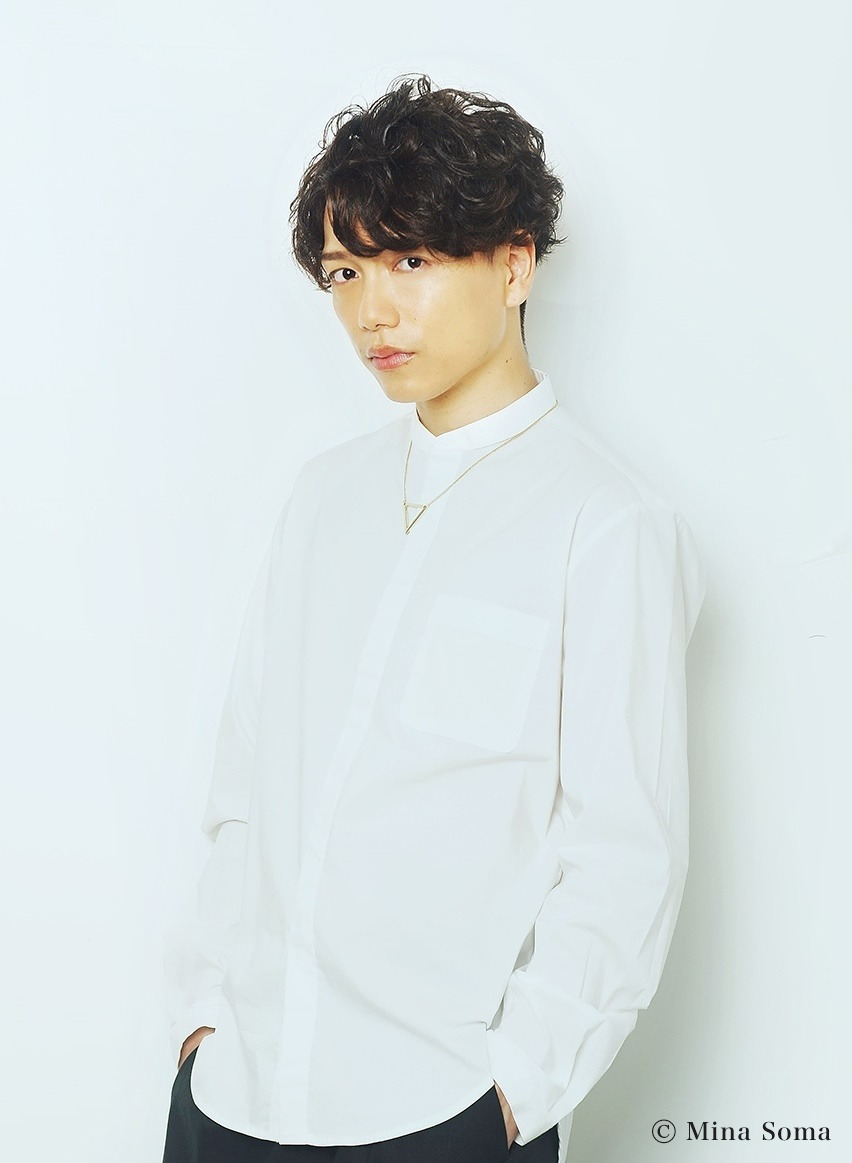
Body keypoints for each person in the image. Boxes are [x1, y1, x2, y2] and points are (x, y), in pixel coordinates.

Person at [162, 73, 705, 1163]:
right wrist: (203, 1017)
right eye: (346, 271)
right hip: (234, 1094)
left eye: (411, 260)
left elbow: (624, 852)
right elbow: (246, 784)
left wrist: (513, 1091)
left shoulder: (607, 521)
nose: (372, 309)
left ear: (515, 263)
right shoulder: (320, 497)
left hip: (438, 1110)